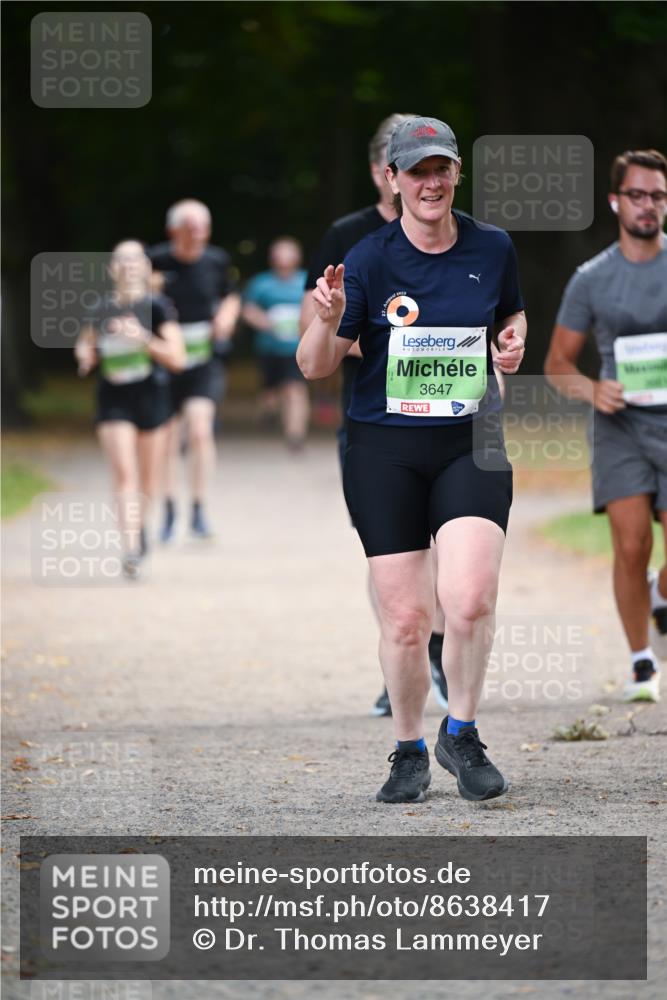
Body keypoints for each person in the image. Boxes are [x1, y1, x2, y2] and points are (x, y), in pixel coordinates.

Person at [298, 116, 526, 803]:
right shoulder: (367, 258)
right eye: (417, 171)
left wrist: (510, 344)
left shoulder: (493, 245)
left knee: (470, 598)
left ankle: (462, 732)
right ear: (391, 179)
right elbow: (313, 366)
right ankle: (407, 749)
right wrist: (327, 317)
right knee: (404, 620)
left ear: (456, 173)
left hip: (469, 441)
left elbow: (509, 316)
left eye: (441, 169)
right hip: (385, 448)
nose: (431, 183)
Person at [299, 113, 450, 718]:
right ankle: (402, 659)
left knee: (447, 543)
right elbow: (313, 326)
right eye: (404, 162)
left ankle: (438, 654)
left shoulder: (457, 234)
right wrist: (387, 339)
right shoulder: (349, 236)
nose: (421, 176)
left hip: (448, 416)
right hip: (374, 418)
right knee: (390, 547)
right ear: (381, 172)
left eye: (433, 165)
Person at [545, 149, 667, 704]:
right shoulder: (592, 279)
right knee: (632, 544)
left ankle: (658, 595)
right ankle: (642, 661)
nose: (648, 205)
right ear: (616, 201)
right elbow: (557, 364)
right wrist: (594, 390)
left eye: (658, 196)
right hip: (619, 425)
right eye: (637, 195)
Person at [75, 240, 185, 579]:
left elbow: (178, 358)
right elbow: (85, 343)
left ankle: (140, 529)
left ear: (146, 267)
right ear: (112, 269)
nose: (129, 265)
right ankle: (131, 548)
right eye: (121, 260)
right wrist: (85, 356)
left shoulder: (157, 307)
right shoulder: (100, 308)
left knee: (147, 480)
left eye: (136, 259)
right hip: (113, 398)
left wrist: (142, 338)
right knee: (124, 473)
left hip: (152, 396)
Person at [148, 199, 241, 541]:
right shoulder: (155, 260)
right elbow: (135, 301)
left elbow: (231, 295)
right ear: (173, 230)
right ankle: (170, 509)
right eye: (191, 227)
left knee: (200, 430)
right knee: (169, 436)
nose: (198, 234)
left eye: (204, 227)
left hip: (203, 360)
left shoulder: (216, 260)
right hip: (164, 360)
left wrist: (227, 316)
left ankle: (199, 508)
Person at [243, 237, 310, 451]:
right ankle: (269, 410)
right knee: (270, 393)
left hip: (297, 349)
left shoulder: (307, 280)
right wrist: (262, 321)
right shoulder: (261, 283)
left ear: (297, 257)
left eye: (288, 254)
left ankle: (295, 436)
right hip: (269, 348)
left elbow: (318, 308)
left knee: (295, 389)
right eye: (279, 255)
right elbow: (248, 309)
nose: (283, 260)